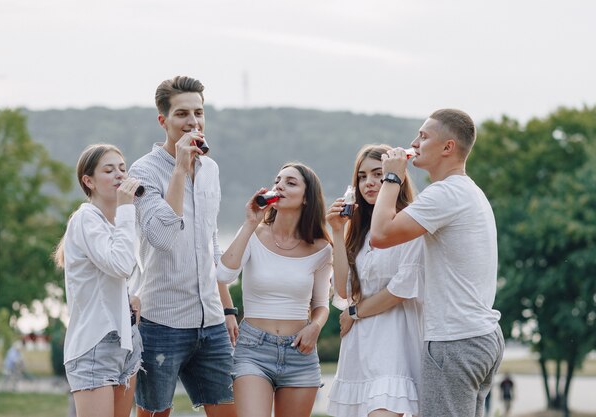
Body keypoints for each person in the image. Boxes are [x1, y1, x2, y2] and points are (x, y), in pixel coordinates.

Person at [370, 109, 505, 417]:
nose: (414, 142)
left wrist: (392, 176)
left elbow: (379, 235)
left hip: (454, 342)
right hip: (482, 337)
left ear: (448, 148)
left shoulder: (445, 194)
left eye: (424, 136)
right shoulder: (468, 192)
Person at [128, 75, 237, 417]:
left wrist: (228, 307)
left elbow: (210, 242)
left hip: (212, 321)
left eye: (199, 113)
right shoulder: (142, 172)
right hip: (161, 322)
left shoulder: (211, 169)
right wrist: (179, 168)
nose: (193, 122)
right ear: (163, 120)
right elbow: (162, 237)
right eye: (182, 114)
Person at [216, 162, 333, 417]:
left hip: (299, 353)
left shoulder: (322, 248)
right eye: (278, 180)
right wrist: (249, 224)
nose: (279, 185)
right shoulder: (254, 233)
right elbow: (223, 275)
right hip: (253, 349)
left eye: (291, 183)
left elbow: (321, 304)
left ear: (306, 198)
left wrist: (315, 327)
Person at [326, 144, 425, 417]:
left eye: (378, 174)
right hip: (360, 348)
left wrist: (355, 313)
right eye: (362, 176)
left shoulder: (411, 222)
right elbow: (344, 290)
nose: (369, 182)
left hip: (395, 346)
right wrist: (337, 232)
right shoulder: (359, 232)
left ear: (395, 176)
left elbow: (402, 288)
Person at [54, 143, 143, 417]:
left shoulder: (118, 224)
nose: (119, 174)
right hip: (95, 344)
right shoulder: (85, 219)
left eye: (122, 168)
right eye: (109, 170)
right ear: (88, 181)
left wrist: (134, 298)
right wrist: (127, 208)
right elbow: (120, 264)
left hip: (126, 343)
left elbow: (128, 274)